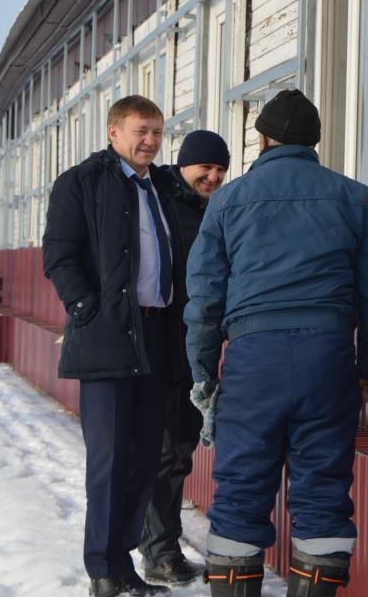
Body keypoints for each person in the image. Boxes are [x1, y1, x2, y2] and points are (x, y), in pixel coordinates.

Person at [184, 90, 368, 597]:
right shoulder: (355, 198)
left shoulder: (227, 202)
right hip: (327, 359)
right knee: (322, 492)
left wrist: (204, 375)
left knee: (240, 491)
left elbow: (205, 299)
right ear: (313, 143)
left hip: (252, 361)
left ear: (262, 140)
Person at [43, 95, 181, 597]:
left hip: (156, 337)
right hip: (106, 336)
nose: (151, 141)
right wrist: (87, 308)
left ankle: (123, 565)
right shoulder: (81, 182)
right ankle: (102, 569)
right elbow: (59, 255)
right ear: (113, 132)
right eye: (141, 131)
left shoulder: (161, 187)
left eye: (157, 132)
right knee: (110, 460)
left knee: (144, 459)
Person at [139, 130, 230, 587]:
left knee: (179, 451)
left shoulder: (214, 209)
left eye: (220, 170)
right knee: (164, 453)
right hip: (160, 346)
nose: (212, 176)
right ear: (183, 164)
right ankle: (159, 552)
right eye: (204, 168)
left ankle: (161, 547)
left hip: (194, 351)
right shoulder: (161, 202)